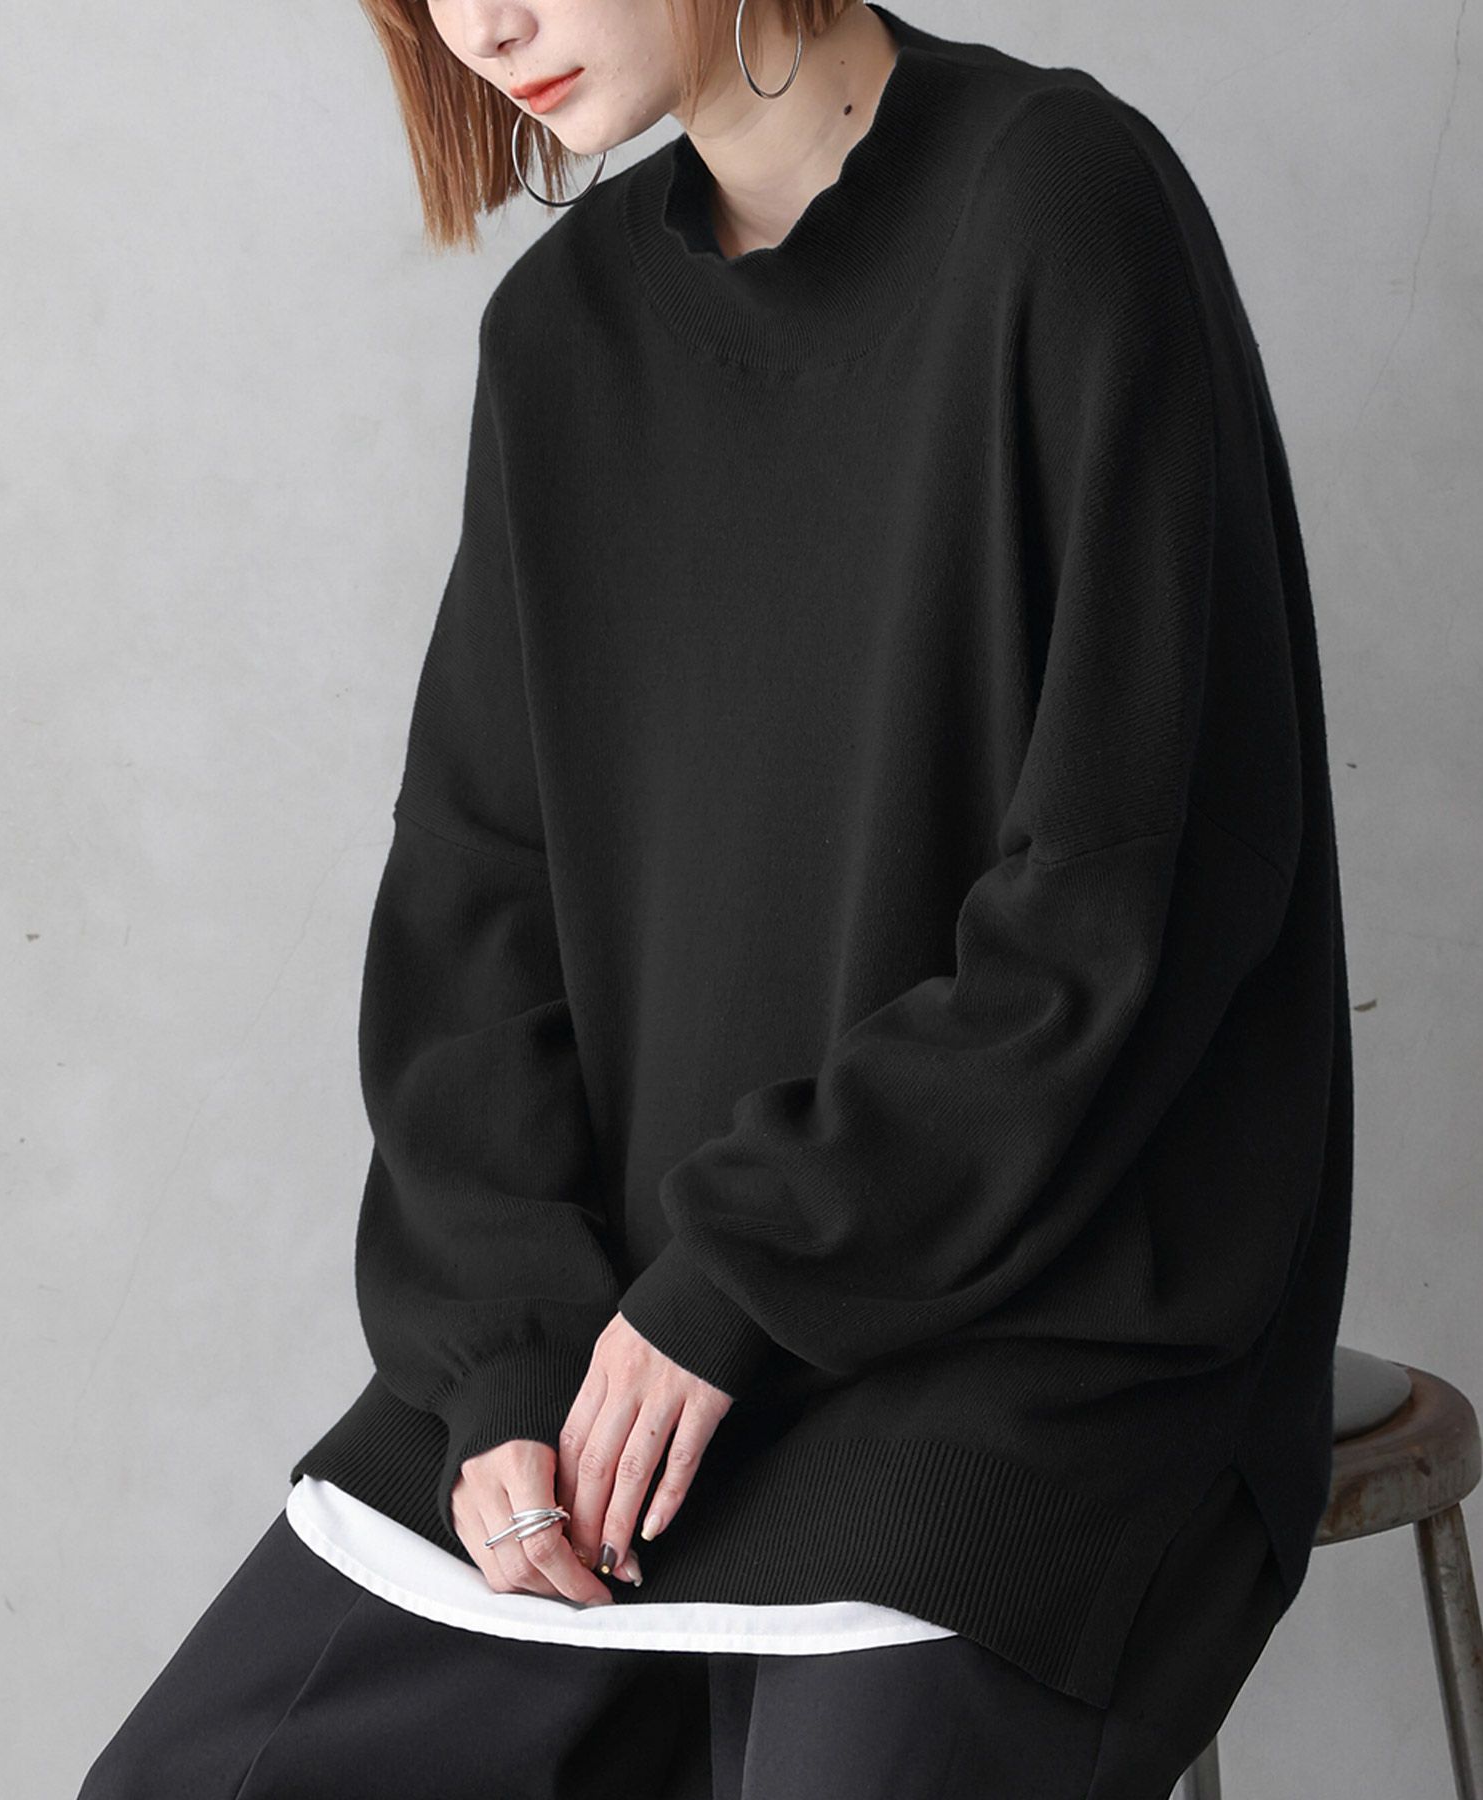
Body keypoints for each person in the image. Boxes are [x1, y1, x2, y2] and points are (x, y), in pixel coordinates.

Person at [77, 2, 1353, 1796]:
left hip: (1031, 1306)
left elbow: (1124, 896)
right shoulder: (562, 334)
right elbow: (478, 911)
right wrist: (508, 1351)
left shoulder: (1057, 204)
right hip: (627, 1317)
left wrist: (746, 1279)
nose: (485, 24)